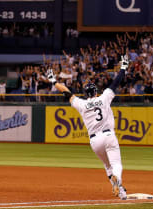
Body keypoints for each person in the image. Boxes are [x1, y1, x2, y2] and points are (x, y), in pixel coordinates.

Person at [46, 55, 130, 200]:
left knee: (107, 166)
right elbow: (116, 82)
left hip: (95, 142)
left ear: (86, 94)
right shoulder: (103, 98)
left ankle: (121, 192)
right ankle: (118, 180)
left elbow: (65, 91)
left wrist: (53, 80)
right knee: (116, 164)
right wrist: (123, 67)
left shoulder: (81, 104)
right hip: (109, 136)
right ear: (96, 92)